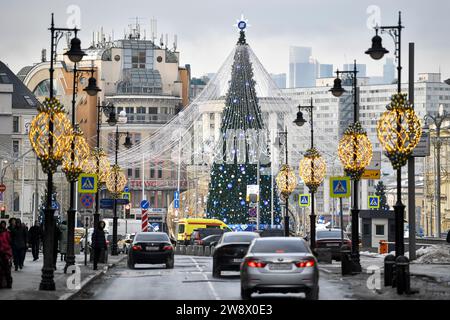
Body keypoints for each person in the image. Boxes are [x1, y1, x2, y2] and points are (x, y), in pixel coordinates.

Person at [0, 221, 13, 288]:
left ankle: (8, 283)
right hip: (2, 252)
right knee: (2, 269)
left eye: (3, 225)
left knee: (6, 269)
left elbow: (9, 242)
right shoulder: (6, 233)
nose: (3, 226)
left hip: (6, 252)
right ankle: (4, 283)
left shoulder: (7, 233)